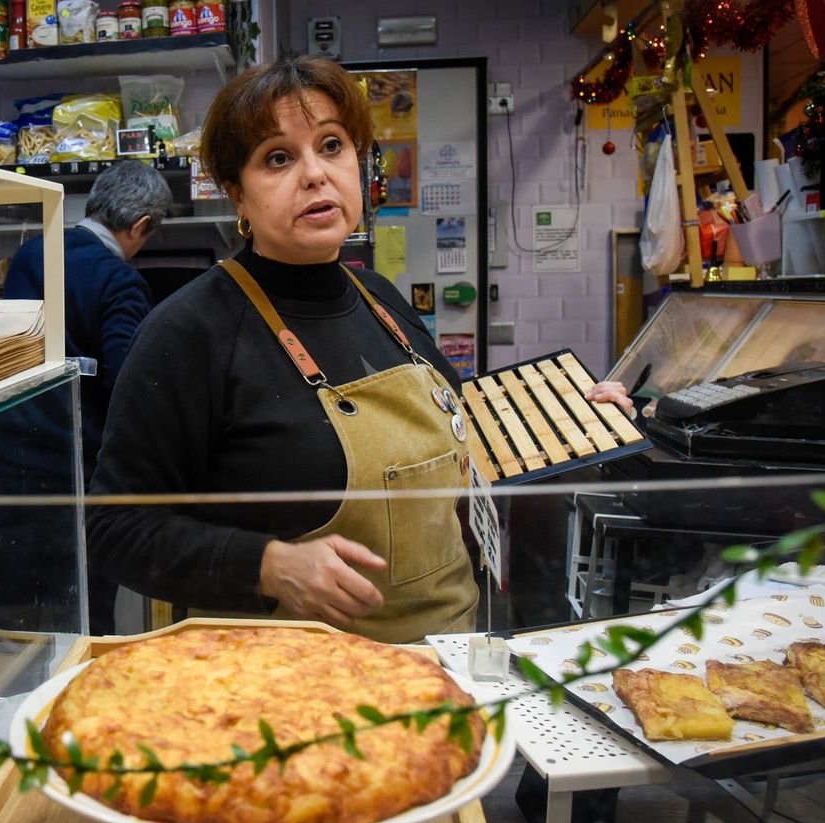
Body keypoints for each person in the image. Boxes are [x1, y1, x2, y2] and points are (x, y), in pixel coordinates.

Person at [86, 55, 630, 643]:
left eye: (332, 146)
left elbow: (457, 427)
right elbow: (115, 528)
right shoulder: (190, 331)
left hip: (444, 658)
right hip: (286, 688)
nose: (315, 174)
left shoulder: (379, 297)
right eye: (278, 158)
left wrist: (570, 417)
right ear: (236, 195)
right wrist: (268, 566)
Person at [0, 160, 174, 635]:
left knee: (14, 624)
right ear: (141, 226)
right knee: (83, 621)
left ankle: (19, 709)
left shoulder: (30, 256)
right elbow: (125, 386)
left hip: (10, 469)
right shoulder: (119, 280)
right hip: (76, 476)